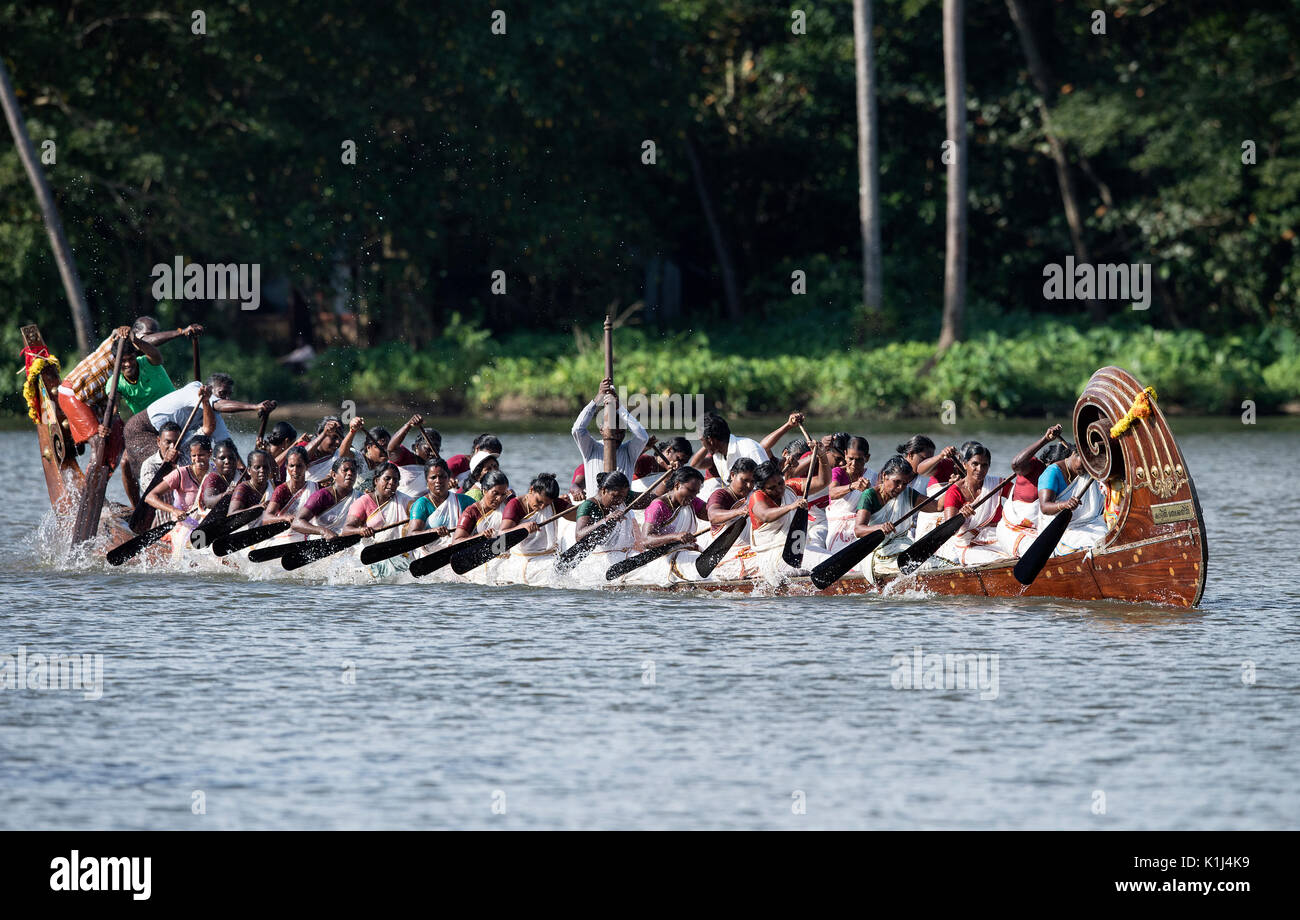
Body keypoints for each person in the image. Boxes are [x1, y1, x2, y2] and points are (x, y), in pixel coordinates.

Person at [935, 442, 1014, 566]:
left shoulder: (997, 483)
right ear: (965, 465)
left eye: (984, 465)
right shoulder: (954, 491)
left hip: (998, 538)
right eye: (975, 464)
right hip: (967, 544)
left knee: (1022, 551)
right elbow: (949, 529)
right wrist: (961, 516)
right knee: (999, 561)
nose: (980, 469)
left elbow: (1022, 497)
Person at [994, 424, 1067, 557]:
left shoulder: (1068, 476)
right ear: (1050, 464)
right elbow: (1016, 464)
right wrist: (1045, 439)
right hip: (1013, 531)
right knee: (1049, 554)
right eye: (1061, 467)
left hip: (1036, 532)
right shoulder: (1033, 467)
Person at [491, 473, 575, 585]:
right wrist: (523, 527)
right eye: (539, 502)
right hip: (522, 561)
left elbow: (581, 515)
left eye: (546, 505)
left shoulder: (555, 504)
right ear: (531, 490)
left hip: (549, 558)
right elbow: (501, 535)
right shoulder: (515, 505)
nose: (542, 507)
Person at [571, 377, 650, 492]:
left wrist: (620, 408)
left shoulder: (628, 451)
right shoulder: (591, 448)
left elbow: (643, 437)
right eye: (613, 432)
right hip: (595, 507)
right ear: (601, 430)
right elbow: (577, 429)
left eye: (621, 433)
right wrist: (598, 398)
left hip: (623, 509)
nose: (617, 437)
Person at [143, 434, 213, 559]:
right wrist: (174, 510)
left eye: (201, 455)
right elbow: (150, 497)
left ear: (210, 454)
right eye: (194, 456)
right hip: (184, 527)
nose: (197, 459)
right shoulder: (181, 474)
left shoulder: (216, 473)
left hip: (209, 527)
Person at [746, 460, 809, 585]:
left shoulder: (789, 490)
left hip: (792, 552)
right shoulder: (756, 497)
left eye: (781, 483)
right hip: (774, 558)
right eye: (772, 488)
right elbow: (765, 515)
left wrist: (822, 457)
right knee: (823, 559)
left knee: (825, 556)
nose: (779, 489)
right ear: (762, 489)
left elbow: (823, 482)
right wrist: (791, 506)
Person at [569, 471, 639, 581]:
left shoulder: (622, 497)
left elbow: (652, 497)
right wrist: (606, 519)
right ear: (604, 490)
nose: (620, 500)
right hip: (600, 559)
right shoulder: (588, 505)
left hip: (624, 554)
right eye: (615, 496)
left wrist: (666, 481)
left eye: (623, 497)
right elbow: (579, 535)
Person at [406, 458, 476, 550]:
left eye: (442, 476)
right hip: (430, 555)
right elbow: (411, 534)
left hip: (459, 550)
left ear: (448, 478)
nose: (438, 481)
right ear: (427, 481)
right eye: (433, 477)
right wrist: (432, 531)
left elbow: (482, 514)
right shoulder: (421, 504)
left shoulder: (464, 501)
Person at [292, 455, 362, 540]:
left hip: (349, 544)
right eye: (345, 470)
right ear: (334, 475)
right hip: (321, 544)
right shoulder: (321, 496)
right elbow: (297, 523)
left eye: (353, 471)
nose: (350, 473)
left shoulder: (360, 497)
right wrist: (323, 531)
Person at [133, 420, 184, 530]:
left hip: (186, 523)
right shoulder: (149, 465)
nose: (173, 447)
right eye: (168, 442)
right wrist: (167, 464)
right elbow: (151, 494)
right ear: (158, 442)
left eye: (176, 442)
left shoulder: (186, 460)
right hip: (164, 526)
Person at [263, 446, 316, 533]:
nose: (295, 470)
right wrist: (285, 518)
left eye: (299, 466)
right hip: (285, 536)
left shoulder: (315, 487)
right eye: (291, 466)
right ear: (286, 467)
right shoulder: (281, 490)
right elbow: (266, 518)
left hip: (309, 533)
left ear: (307, 466)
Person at [230, 448, 274, 514]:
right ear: (249, 471)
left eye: (265, 467)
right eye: (257, 467)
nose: (262, 470)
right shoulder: (242, 488)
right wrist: (257, 508)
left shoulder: (274, 486)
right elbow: (231, 514)